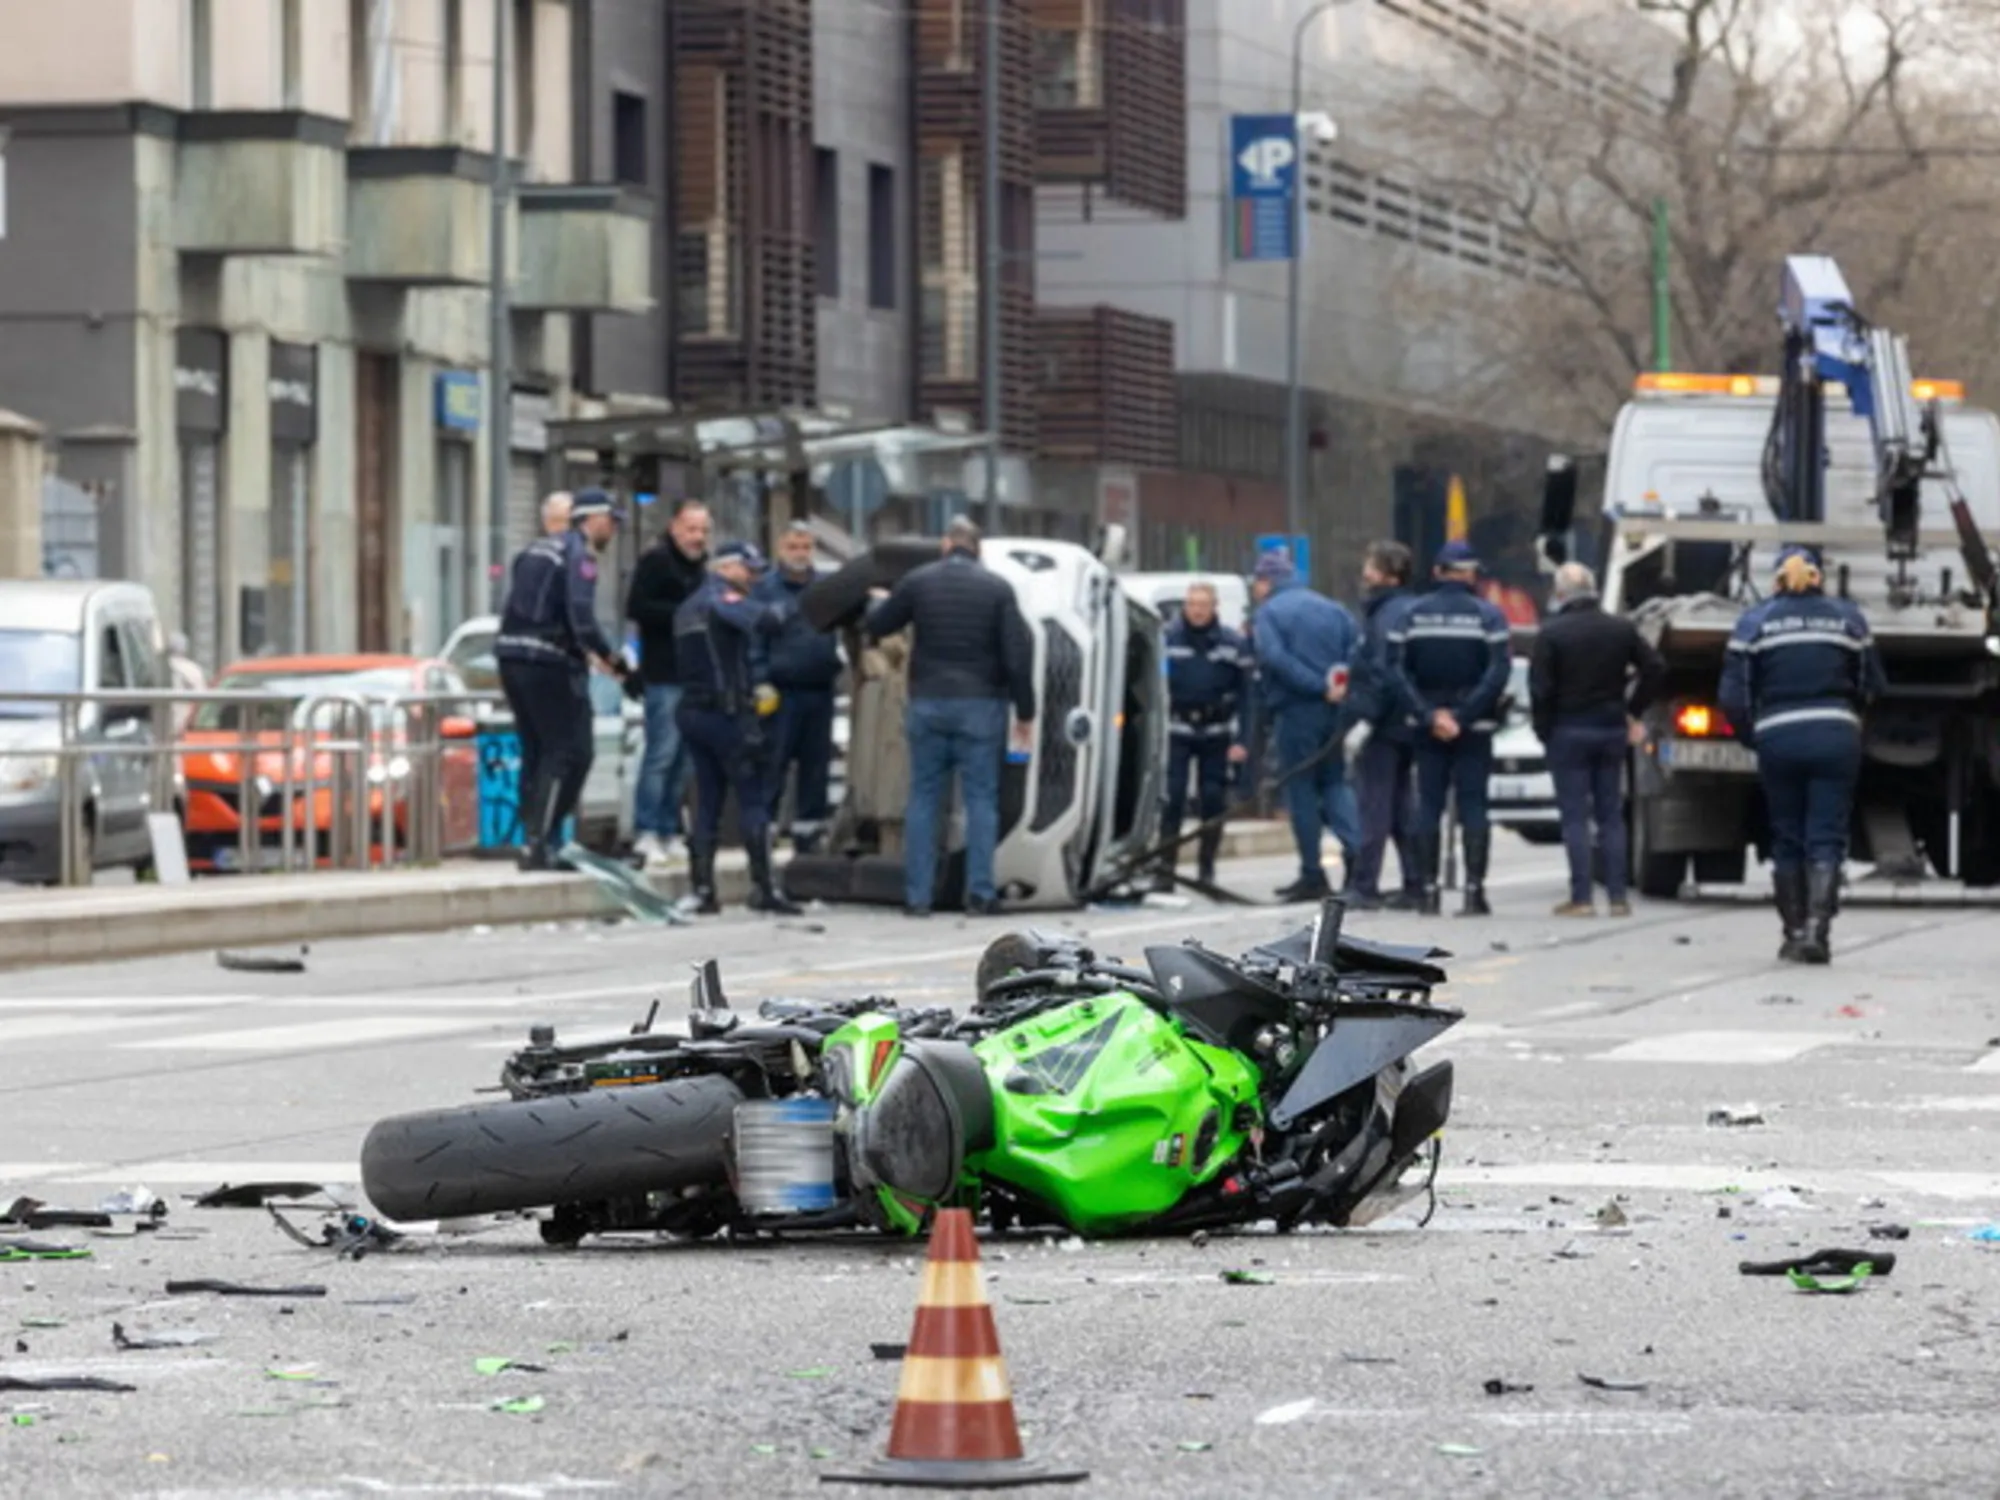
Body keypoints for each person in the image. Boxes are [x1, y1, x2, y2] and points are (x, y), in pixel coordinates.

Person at [1718, 545, 1884, 964]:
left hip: (1778, 736)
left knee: (1786, 834)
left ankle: (1792, 929)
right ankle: (1817, 930)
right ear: (1818, 576)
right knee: (1826, 834)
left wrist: (1751, 736)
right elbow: (1873, 683)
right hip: (1835, 734)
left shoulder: (1754, 622)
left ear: (1776, 579)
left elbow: (1733, 696)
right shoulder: (1848, 618)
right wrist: (1853, 721)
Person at [863, 517, 1036, 918]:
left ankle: (918, 897)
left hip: (928, 703)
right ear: (978, 549)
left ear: (946, 545)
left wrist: (876, 599)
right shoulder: (997, 588)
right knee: (980, 801)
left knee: (923, 799)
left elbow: (879, 624)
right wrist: (1025, 710)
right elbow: (1017, 655)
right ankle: (979, 894)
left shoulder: (919, 581)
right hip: (981, 706)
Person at [495, 488, 624, 871]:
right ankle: (543, 841)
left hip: (512, 657)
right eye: (611, 520)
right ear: (592, 519)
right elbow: (580, 614)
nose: (613, 528)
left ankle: (532, 841)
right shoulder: (579, 555)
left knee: (536, 751)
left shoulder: (534, 551)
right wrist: (607, 656)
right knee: (571, 751)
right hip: (549, 661)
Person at [1530, 561, 1666, 918]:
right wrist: (1632, 710)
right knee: (1610, 815)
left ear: (1561, 594)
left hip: (1568, 730)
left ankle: (1582, 897)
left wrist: (1544, 732)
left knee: (1575, 816)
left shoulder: (1552, 633)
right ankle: (1618, 897)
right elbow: (1654, 667)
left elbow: (1540, 690)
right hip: (1610, 729)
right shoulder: (1620, 629)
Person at [1386, 540, 1511, 916]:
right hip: (1475, 727)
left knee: (1428, 806)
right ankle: (1474, 891)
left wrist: (1429, 715)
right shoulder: (1488, 617)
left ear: (1437, 572)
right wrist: (1464, 715)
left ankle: (1428, 891)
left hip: (1426, 728)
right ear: (1471, 574)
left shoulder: (1410, 616)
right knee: (1474, 805)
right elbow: (1498, 672)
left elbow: (1395, 671)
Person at [674, 541, 798, 916]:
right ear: (726, 567)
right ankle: (763, 887)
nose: (754, 578)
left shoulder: (687, 606)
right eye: (749, 570)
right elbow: (767, 622)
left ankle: (702, 888)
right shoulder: (719, 600)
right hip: (727, 716)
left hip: (694, 714)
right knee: (752, 798)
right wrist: (792, 605)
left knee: (707, 802)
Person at [1249, 549, 1361, 903]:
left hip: (1297, 710)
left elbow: (1275, 658)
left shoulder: (1269, 613)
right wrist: (1338, 687)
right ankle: (1356, 856)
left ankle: (1312, 873)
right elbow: (1356, 651)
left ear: (1266, 582)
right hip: (1335, 711)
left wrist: (1315, 686)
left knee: (1301, 791)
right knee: (1334, 782)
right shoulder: (1334, 608)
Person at [626, 500, 711, 867]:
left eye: (704, 531)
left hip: (693, 676)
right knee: (661, 753)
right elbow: (638, 606)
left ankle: (668, 827)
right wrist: (684, 614)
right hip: (664, 673)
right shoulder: (657, 561)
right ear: (675, 527)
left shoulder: (703, 570)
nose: (698, 538)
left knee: (684, 760)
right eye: (692, 529)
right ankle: (646, 829)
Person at [1341, 541, 1423, 910]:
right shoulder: (1404, 609)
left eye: (1371, 568)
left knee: (1375, 806)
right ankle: (1415, 882)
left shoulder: (1386, 615)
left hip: (1383, 725)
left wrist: (1366, 720)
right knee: (1402, 807)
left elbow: (1383, 673)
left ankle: (1365, 884)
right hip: (1403, 723)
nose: (1365, 575)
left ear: (1389, 575)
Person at [1155, 581, 1251, 890]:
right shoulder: (1167, 640)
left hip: (1216, 732)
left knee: (1213, 799)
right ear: (1185, 607)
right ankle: (1165, 869)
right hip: (1177, 729)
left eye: (1203, 605)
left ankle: (1206, 868)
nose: (1197, 611)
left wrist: (1243, 740)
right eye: (1192, 604)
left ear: (1215, 608)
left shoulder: (1232, 644)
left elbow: (1248, 696)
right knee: (1173, 797)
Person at [755, 522, 842, 853]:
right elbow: (754, 640)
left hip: (819, 691)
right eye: (794, 547)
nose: (800, 554)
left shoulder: (826, 587)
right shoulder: (764, 589)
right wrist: (760, 680)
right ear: (780, 549)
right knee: (772, 768)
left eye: (806, 547)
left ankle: (808, 847)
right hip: (780, 692)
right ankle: (763, 843)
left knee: (815, 771)